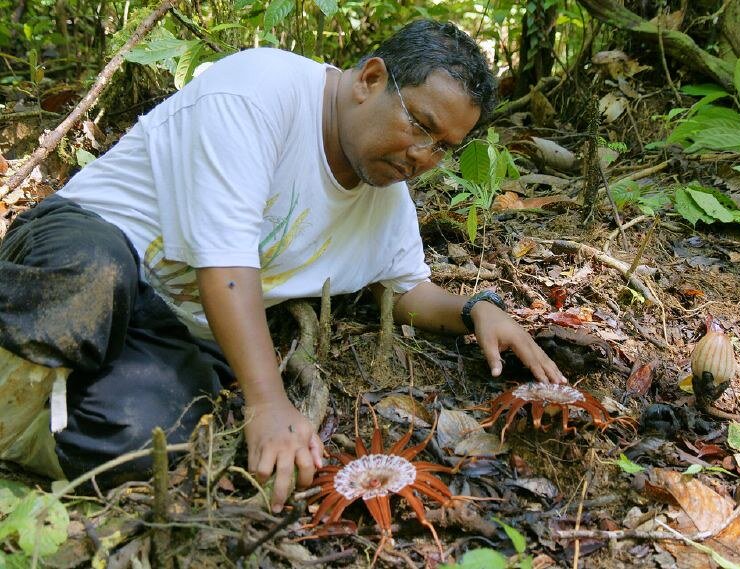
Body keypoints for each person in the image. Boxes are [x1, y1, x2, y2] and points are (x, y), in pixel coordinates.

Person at [0, 19, 566, 512]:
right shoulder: (261, 91)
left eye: (444, 146)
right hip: (94, 242)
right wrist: (267, 401)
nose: (424, 157)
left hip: (168, 330)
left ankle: (27, 412)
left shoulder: (386, 200)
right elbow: (225, 260)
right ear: (370, 80)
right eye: (420, 125)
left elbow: (406, 286)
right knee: (90, 282)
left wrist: (476, 310)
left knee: (156, 435)